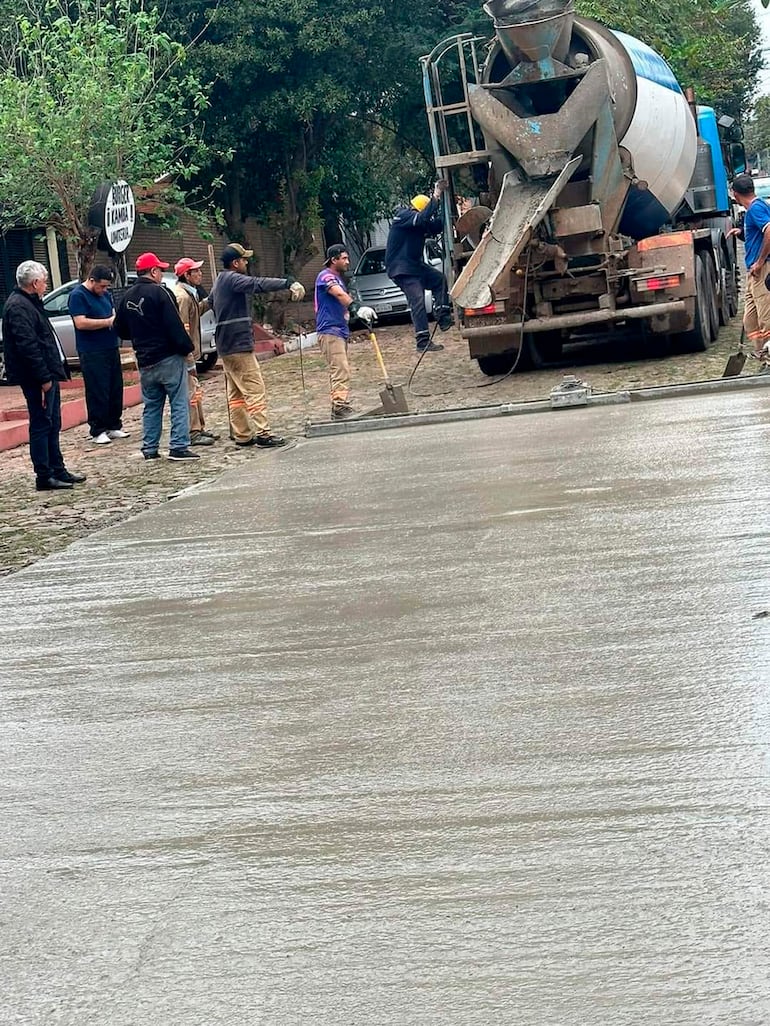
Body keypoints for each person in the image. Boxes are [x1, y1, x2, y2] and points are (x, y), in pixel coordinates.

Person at [1, 260, 86, 490]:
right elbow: (28, 346)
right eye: (44, 281)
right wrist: (44, 378)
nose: (46, 285)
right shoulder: (18, 306)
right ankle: (44, 474)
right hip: (37, 377)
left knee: (52, 422)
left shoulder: (31, 302)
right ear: (35, 282)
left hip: (47, 371)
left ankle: (57, 468)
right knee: (41, 423)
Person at [209, 243, 305, 447]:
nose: (246, 262)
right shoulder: (234, 279)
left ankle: (242, 434)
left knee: (235, 393)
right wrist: (287, 282)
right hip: (238, 343)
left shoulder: (219, 281)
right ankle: (263, 433)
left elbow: (208, 302)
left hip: (226, 345)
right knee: (254, 388)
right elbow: (257, 284)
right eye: (244, 260)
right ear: (235, 263)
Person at [113, 252, 199, 462]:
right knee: (179, 401)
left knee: (152, 405)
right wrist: (187, 347)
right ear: (153, 271)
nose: (161, 273)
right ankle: (178, 446)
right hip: (168, 356)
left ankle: (150, 447)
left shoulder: (126, 297)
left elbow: (120, 329)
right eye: (160, 270)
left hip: (144, 360)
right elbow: (174, 325)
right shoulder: (161, 293)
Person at [385, 179, 453, 353]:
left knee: (439, 279)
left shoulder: (420, 222)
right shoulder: (403, 216)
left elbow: (436, 226)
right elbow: (423, 218)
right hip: (401, 268)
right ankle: (422, 341)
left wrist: (449, 209)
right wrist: (436, 196)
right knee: (418, 299)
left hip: (414, 266)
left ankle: (443, 315)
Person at [68, 264, 129, 446]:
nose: (104, 290)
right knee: (98, 389)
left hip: (110, 346)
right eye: (101, 286)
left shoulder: (106, 296)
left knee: (114, 386)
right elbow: (80, 323)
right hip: (91, 349)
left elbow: (112, 313)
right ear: (92, 280)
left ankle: (113, 423)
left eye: (106, 287)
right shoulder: (78, 296)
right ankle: (98, 428)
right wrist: (107, 322)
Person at [314, 244, 377, 420]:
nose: (348, 262)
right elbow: (339, 295)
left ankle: (340, 405)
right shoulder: (326, 277)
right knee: (340, 369)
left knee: (341, 369)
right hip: (330, 330)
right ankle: (339, 408)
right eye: (344, 258)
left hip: (339, 330)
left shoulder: (337, 278)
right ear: (333, 260)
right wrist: (356, 307)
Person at [172, 257, 218, 447]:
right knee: (191, 393)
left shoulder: (189, 294)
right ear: (186, 275)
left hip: (192, 351)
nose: (200, 274)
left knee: (196, 392)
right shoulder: (182, 297)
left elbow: (195, 312)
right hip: (185, 353)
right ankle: (193, 431)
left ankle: (199, 426)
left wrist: (209, 301)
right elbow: (183, 327)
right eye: (196, 271)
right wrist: (188, 356)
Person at [729, 174, 770, 358]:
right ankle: (762, 354)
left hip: (762, 269)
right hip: (752, 272)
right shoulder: (753, 210)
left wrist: (760, 261)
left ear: (735, 195)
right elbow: (759, 234)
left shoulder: (756, 209)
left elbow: (769, 231)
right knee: (750, 320)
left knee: (766, 317)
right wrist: (742, 233)